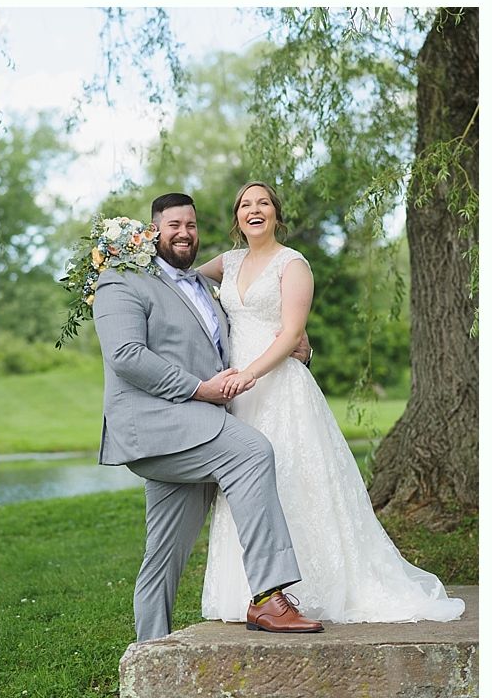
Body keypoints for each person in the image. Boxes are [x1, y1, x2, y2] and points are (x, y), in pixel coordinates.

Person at [196, 181, 464, 624]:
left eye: (263, 203)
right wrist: (135, 256)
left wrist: (249, 374)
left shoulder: (293, 264)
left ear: (276, 214)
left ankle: (307, 587)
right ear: (237, 218)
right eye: (245, 204)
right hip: (240, 396)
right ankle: (250, 590)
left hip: (278, 387)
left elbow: (290, 335)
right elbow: (181, 280)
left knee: (294, 479)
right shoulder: (228, 262)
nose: (254, 209)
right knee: (245, 484)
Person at [92, 192, 323, 642]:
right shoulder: (121, 281)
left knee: (163, 552)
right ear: (151, 231)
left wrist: (301, 348)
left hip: (194, 428)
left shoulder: (201, 284)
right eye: (174, 225)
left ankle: (150, 649)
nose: (184, 233)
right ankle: (267, 597)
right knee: (251, 453)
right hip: (158, 424)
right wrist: (199, 390)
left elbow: (247, 334)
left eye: (192, 225)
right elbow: (126, 355)